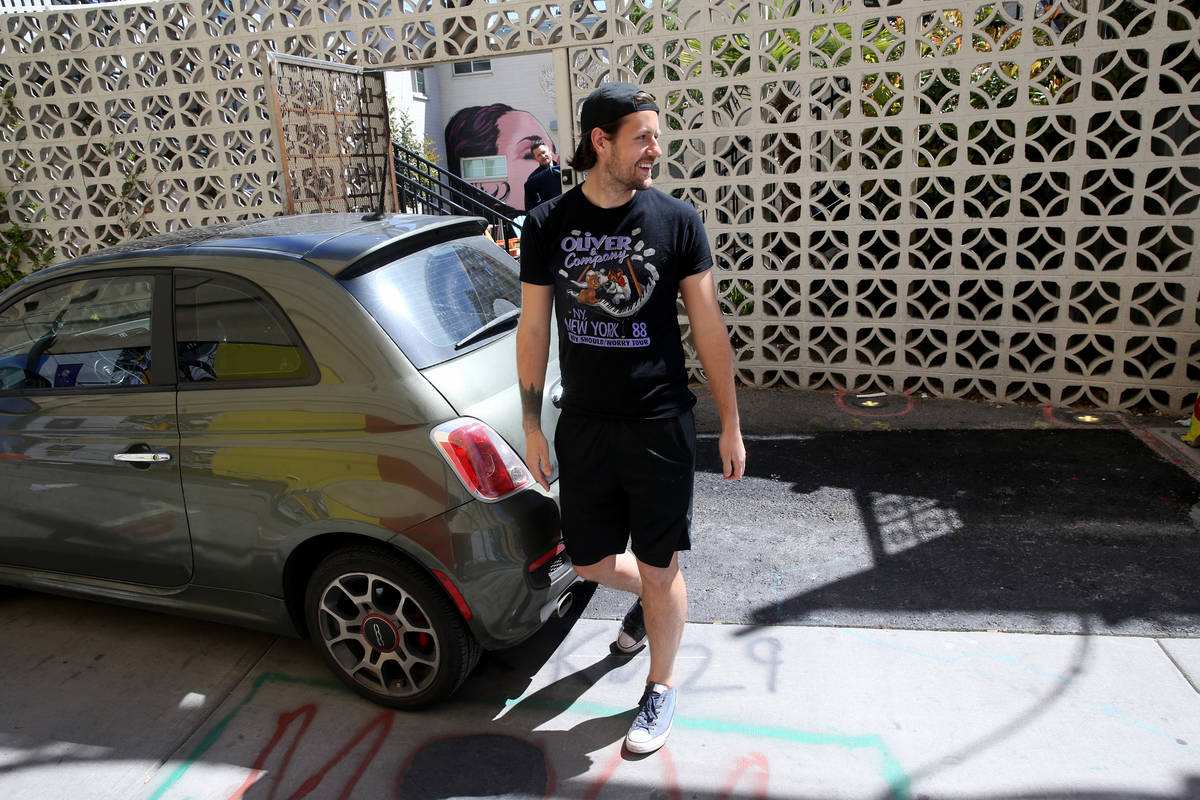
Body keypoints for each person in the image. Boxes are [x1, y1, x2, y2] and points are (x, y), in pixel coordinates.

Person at [515, 82, 746, 755]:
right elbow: (533, 330)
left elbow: (709, 328)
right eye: (642, 136)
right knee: (586, 560)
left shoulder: (677, 220)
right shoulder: (547, 225)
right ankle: (654, 601)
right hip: (583, 422)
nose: (656, 149)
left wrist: (730, 423)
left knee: (657, 562)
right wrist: (532, 424)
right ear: (601, 142)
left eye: (656, 135)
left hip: (658, 423)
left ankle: (661, 685)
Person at [444, 103, 553, 214]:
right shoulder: (533, 181)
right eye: (529, 155)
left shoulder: (562, 173)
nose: (545, 156)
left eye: (550, 150)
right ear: (484, 187)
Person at [523, 138, 562, 211]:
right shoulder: (533, 179)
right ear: (535, 158)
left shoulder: (563, 169)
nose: (543, 156)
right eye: (539, 155)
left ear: (550, 151)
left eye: (544, 152)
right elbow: (531, 207)